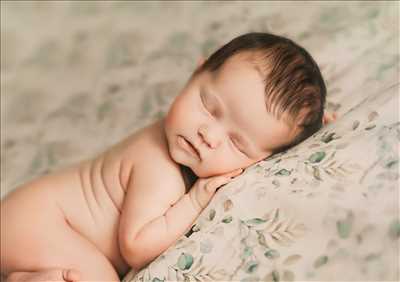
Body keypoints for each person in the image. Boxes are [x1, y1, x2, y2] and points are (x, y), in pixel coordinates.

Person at [1, 32, 336, 282]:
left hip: (38, 223)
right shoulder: (159, 166)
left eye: (237, 143)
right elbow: (135, 246)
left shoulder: (188, 137)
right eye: (209, 106)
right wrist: (195, 201)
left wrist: (312, 130)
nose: (208, 135)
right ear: (195, 74)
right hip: (38, 222)